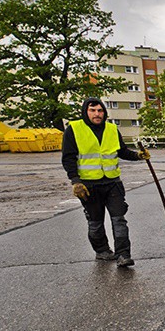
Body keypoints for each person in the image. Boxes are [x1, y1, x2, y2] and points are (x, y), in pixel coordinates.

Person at [61, 98, 149, 267]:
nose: (97, 114)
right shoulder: (74, 129)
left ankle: (123, 254)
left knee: (119, 219)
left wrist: (138, 156)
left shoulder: (111, 129)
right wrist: (75, 181)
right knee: (95, 222)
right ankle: (102, 251)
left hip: (112, 183)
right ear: (86, 111)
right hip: (88, 185)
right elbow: (68, 158)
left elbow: (121, 151)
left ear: (104, 112)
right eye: (92, 110)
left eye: (100, 111)